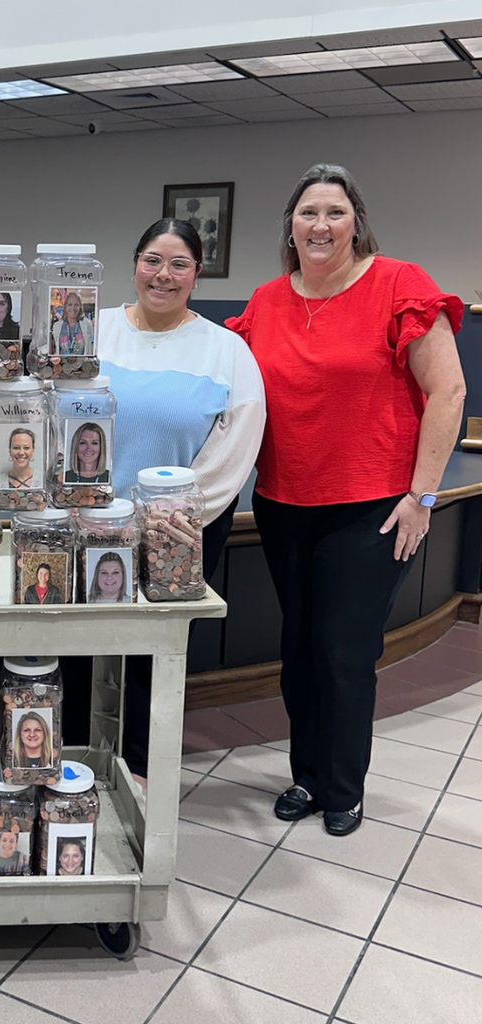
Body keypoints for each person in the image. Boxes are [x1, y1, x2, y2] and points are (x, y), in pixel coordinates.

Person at [226, 163, 465, 837]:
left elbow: (448, 392)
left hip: (373, 506)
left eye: (335, 212)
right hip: (283, 502)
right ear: (291, 227)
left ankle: (342, 787)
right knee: (300, 647)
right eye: (308, 212)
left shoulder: (398, 284)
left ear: (356, 222)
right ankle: (305, 776)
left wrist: (422, 496)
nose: (321, 224)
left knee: (343, 649)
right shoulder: (267, 300)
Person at [88, 215, 265, 784]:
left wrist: (169, 514)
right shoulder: (92, 330)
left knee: (151, 653)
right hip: (85, 521)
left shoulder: (226, 350)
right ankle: (74, 760)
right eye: (153, 261)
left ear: (197, 274)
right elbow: (47, 415)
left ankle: (141, 772)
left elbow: (238, 441)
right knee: (76, 641)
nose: (163, 275)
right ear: (134, 266)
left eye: (179, 264)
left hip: (179, 530)